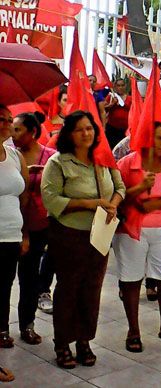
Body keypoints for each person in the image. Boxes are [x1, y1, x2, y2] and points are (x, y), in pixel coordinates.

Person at [41, 110, 125, 368]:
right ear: (69, 133)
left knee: (92, 289)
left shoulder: (103, 160)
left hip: (100, 233)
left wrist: (112, 203)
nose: (87, 133)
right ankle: (62, 343)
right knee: (69, 289)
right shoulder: (58, 163)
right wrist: (91, 203)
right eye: (80, 129)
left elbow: (120, 187)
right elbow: (52, 199)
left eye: (90, 128)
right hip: (69, 235)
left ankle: (84, 340)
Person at [114, 123, 161, 352]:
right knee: (132, 280)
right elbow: (116, 195)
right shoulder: (128, 163)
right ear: (148, 138)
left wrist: (154, 204)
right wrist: (139, 190)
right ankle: (133, 331)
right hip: (132, 231)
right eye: (159, 138)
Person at [12, 112, 56, 342]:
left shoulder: (50, 157)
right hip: (10, 225)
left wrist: (41, 179)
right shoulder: (9, 156)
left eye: (18, 129)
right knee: (5, 278)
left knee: (29, 278)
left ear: (32, 132)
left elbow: (58, 189)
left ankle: (27, 325)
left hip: (39, 224)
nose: (13, 133)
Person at [0, 105, 29, 349]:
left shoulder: (15, 156)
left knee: (5, 285)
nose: (6, 125)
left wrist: (25, 233)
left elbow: (24, 196)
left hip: (11, 233)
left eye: (9, 120)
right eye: (0, 119)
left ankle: (1, 329)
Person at [104, 78, 132, 149]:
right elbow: (103, 109)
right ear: (115, 87)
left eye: (122, 85)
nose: (120, 87)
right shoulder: (111, 96)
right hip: (112, 128)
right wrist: (112, 104)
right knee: (112, 148)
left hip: (125, 129)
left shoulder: (130, 98)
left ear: (125, 86)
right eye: (118, 85)